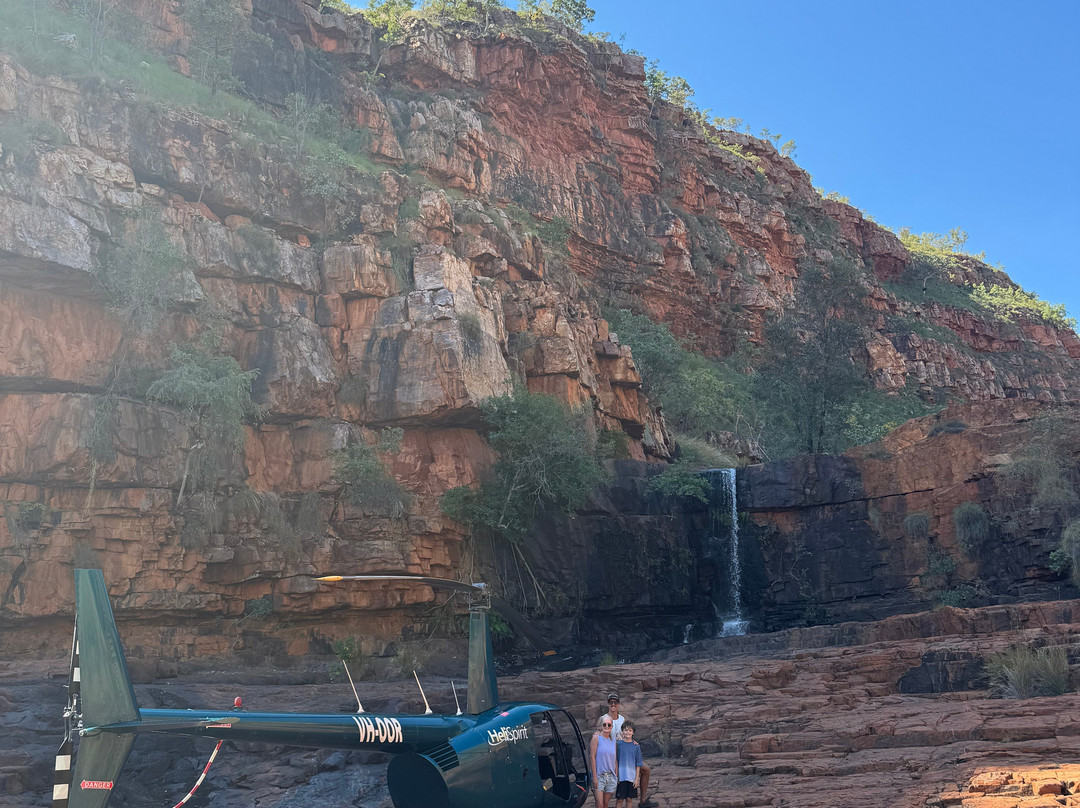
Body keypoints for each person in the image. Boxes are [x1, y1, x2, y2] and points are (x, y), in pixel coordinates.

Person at [604, 693, 655, 808]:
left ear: (618, 704)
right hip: (612, 753)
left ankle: (642, 801)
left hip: (625, 751)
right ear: (607, 704)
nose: (613, 704)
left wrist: (633, 742)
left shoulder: (622, 719)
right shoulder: (605, 719)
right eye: (611, 702)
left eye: (615, 702)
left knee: (645, 769)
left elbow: (626, 733)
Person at [589, 714, 618, 808]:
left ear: (612, 726)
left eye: (609, 725)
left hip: (611, 776)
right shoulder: (596, 738)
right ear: (601, 725)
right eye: (604, 724)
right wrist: (594, 777)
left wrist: (616, 773)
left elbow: (615, 757)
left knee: (605, 804)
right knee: (600, 804)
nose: (606, 726)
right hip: (599, 775)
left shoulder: (614, 740)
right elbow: (592, 757)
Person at [615, 721, 643, 808]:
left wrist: (637, 779)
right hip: (621, 776)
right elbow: (615, 759)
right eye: (626, 730)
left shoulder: (636, 747)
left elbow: (638, 763)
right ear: (622, 731)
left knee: (629, 799)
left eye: (630, 730)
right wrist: (617, 775)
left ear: (633, 732)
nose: (628, 732)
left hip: (631, 777)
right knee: (619, 799)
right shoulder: (618, 744)